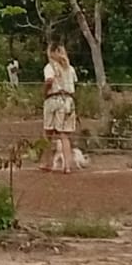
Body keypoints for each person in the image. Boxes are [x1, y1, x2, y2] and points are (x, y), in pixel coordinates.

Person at [40, 44, 79, 174]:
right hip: (68, 100)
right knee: (64, 135)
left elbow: (49, 81)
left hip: (53, 98)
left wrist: (44, 92)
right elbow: (74, 84)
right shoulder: (70, 69)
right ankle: (67, 166)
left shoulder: (50, 67)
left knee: (48, 133)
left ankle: (47, 162)